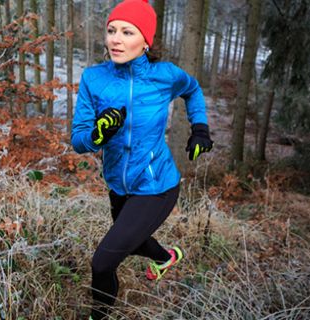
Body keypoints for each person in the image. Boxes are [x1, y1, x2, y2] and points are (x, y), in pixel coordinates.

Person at [70, 0, 213, 318]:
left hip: (157, 185)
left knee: (103, 261)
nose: (115, 39)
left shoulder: (164, 75)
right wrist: (97, 135)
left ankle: (100, 315)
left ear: (146, 40)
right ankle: (167, 257)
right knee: (132, 241)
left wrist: (199, 127)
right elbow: (78, 139)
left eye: (127, 31)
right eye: (111, 31)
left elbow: (193, 89)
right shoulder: (95, 79)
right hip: (119, 184)